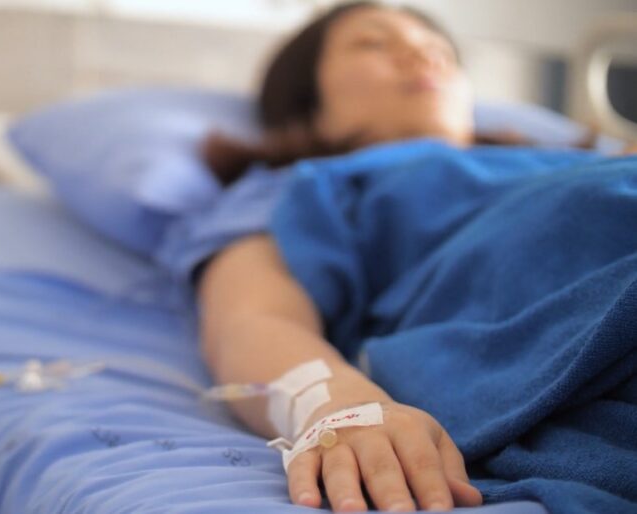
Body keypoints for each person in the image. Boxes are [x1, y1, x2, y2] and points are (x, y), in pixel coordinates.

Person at [191, 1, 637, 512]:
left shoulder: (574, 159)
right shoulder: (299, 186)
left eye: (437, 49)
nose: (422, 58)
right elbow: (250, 317)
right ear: (308, 101)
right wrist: (338, 407)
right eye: (374, 44)